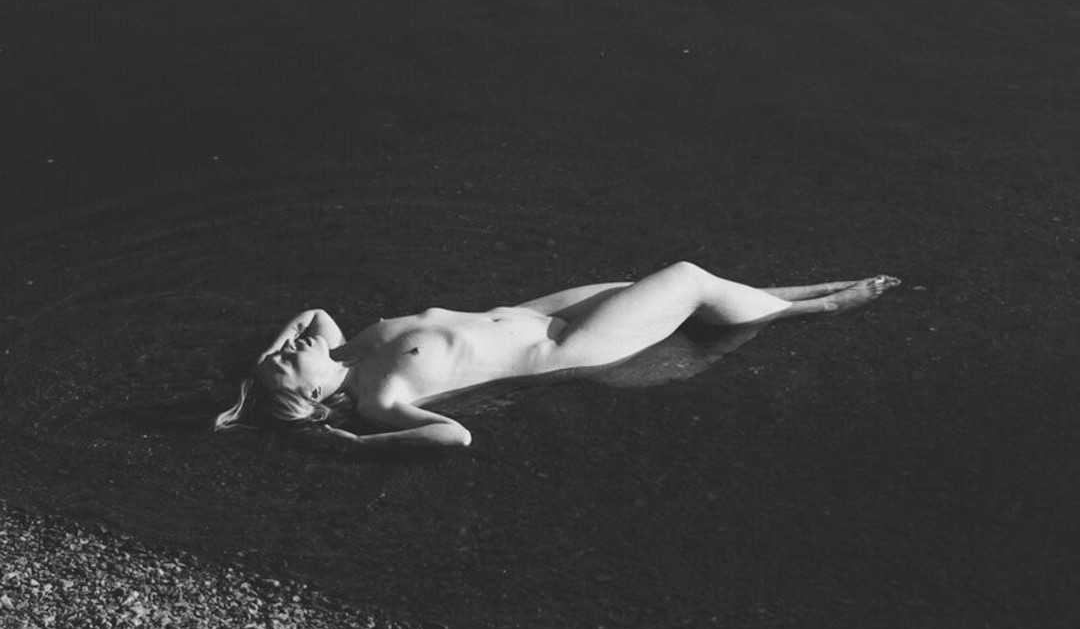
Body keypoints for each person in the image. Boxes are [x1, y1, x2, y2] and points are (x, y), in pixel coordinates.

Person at [214, 263, 899, 450]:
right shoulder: (378, 399)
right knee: (686, 279)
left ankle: (789, 292)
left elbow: (312, 314)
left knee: (655, 290)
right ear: (310, 395)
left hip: (537, 311)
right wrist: (351, 443)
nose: (294, 344)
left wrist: (269, 356)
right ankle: (814, 307)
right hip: (568, 348)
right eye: (289, 360)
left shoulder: (348, 348)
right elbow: (455, 435)